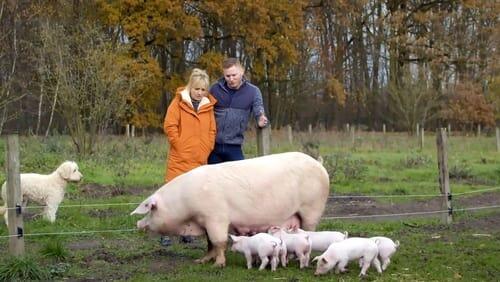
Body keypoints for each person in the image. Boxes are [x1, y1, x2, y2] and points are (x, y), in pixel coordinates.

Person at [160, 68, 217, 246]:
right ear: (190, 87)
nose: (199, 93)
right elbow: (170, 126)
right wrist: (180, 146)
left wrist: (207, 147)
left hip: (199, 161)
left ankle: (186, 232)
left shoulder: (208, 106)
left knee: (192, 199)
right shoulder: (178, 103)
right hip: (179, 158)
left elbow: (212, 130)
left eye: (203, 90)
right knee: (171, 197)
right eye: (196, 89)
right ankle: (165, 232)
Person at [208, 57, 268, 164]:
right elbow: (204, 109)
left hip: (234, 146)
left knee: (240, 179)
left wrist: (260, 118)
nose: (231, 79)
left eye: (234, 75)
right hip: (213, 146)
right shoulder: (214, 89)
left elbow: (258, 108)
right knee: (210, 179)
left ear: (242, 71)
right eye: (227, 76)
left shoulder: (253, 91)